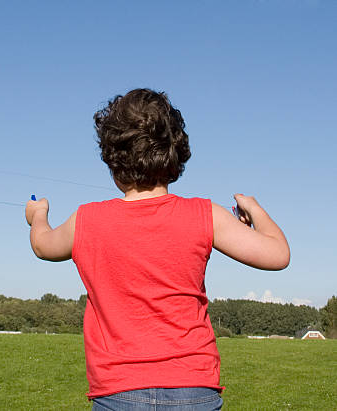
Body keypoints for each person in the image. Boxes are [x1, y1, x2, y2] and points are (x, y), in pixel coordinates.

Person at [25, 88, 290, 410]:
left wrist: (38, 215)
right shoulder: (206, 215)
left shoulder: (86, 219)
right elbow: (278, 255)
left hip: (117, 389)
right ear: (176, 153)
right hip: (194, 387)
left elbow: (43, 245)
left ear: (111, 158)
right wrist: (254, 208)